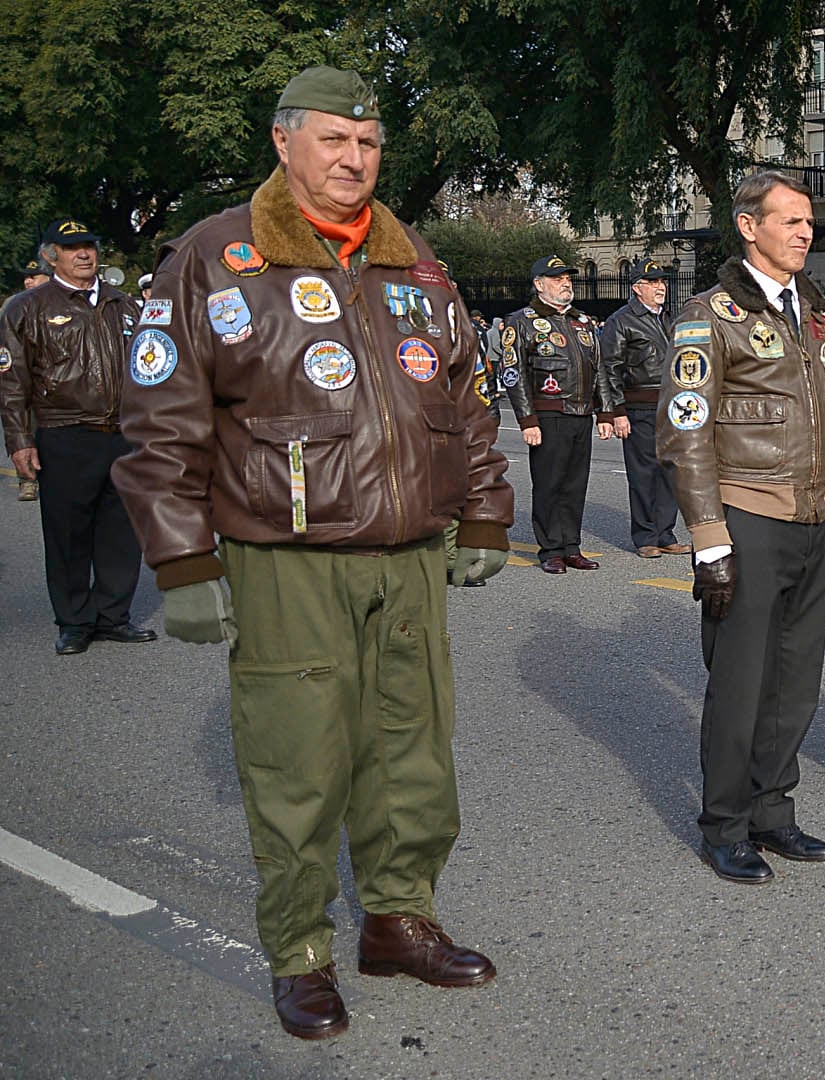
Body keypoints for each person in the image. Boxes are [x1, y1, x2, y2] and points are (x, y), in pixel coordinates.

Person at [112, 66, 512, 1041]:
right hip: (287, 554)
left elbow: (463, 397)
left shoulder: (410, 257)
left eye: (368, 142)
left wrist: (487, 513)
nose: (354, 159)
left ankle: (398, 919)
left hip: (410, 549)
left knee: (412, 751)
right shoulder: (213, 257)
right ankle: (300, 950)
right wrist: (180, 561)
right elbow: (161, 422)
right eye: (333, 139)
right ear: (284, 142)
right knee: (300, 761)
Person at [657, 170, 825, 883]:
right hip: (747, 520)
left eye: (809, 222)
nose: (805, 232)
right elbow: (685, 433)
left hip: (812, 518)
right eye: (789, 220)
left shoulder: (823, 315)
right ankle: (723, 826)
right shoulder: (708, 314)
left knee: (795, 683)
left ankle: (773, 813)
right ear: (749, 227)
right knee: (740, 683)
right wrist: (708, 538)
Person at [0, 219, 152, 654]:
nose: (83, 254)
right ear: (53, 256)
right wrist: (18, 440)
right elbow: (12, 382)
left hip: (124, 433)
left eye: (89, 246)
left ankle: (113, 616)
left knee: (122, 530)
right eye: (72, 248)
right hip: (65, 431)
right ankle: (74, 620)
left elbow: (150, 366)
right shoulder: (26, 307)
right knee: (68, 533)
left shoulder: (125, 305)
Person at [498, 255, 625, 572]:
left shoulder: (582, 323)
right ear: (539, 285)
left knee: (574, 484)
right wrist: (527, 420)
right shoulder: (521, 322)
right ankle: (550, 549)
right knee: (549, 483)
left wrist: (605, 413)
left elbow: (600, 372)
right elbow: (514, 374)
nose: (565, 283)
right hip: (548, 415)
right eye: (556, 278)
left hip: (580, 414)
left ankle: (571, 546)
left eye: (567, 278)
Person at [599, 258, 690, 557]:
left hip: (672, 407)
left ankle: (665, 532)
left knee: (670, 472)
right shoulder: (621, 321)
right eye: (652, 282)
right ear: (637, 288)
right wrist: (617, 411)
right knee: (643, 473)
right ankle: (646, 537)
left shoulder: (668, 318)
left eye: (662, 281)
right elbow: (609, 367)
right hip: (638, 407)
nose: (660, 287)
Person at [5, 257, 54, 499]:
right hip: (28, 379)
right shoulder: (13, 305)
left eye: (34, 276)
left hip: (58, 384)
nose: (29, 281)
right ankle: (27, 480)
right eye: (26, 277)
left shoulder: (61, 302)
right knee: (26, 428)